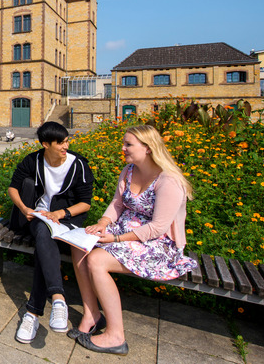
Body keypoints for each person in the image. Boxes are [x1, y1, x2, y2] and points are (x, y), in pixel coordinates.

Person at [73, 125, 198, 356]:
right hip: (122, 233)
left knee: (97, 261)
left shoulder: (168, 180)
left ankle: (116, 336)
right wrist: (102, 223)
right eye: (124, 143)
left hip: (157, 245)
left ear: (148, 148)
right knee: (79, 248)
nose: (123, 148)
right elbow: (117, 204)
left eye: (128, 144)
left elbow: (158, 227)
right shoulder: (129, 170)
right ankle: (92, 314)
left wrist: (114, 238)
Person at [9, 121, 94, 344]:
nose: (66, 145)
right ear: (46, 144)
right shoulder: (34, 160)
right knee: (43, 233)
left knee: (43, 243)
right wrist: (24, 208)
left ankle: (33, 313)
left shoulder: (78, 165)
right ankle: (57, 299)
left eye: (67, 140)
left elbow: (85, 204)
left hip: (68, 220)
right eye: (61, 142)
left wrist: (60, 213)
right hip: (39, 217)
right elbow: (13, 187)